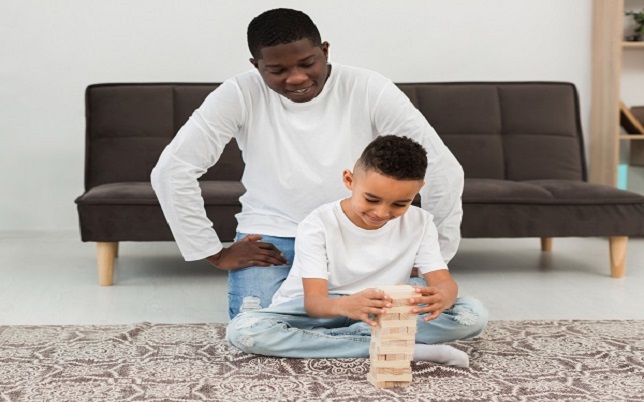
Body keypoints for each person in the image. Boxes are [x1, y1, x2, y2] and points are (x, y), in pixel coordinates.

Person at [151, 8, 464, 318]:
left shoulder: (369, 87)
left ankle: (343, 322)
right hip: (273, 235)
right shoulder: (238, 93)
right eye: (277, 70)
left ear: (324, 51)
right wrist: (213, 252)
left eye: (307, 63)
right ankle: (350, 325)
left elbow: (443, 169)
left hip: (358, 229)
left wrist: (434, 255)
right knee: (254, 324)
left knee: (418, 315)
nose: (297, 78)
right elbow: (172, 170)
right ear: (256, 66)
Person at [226, 135, 487, 366]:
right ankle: (398, 346)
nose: (381, 213)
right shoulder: (318, 224)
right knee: (245, 330)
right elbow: (315, 303)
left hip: (378, 308)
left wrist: (443, 296)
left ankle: (331, 342)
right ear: (349, 180)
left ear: (417, 191)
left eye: (399, 204)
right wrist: (346, 305)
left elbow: (443, 281)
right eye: (371, 199)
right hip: (320, 310)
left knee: (473, 315)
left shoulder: (421, 222)